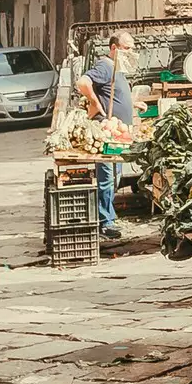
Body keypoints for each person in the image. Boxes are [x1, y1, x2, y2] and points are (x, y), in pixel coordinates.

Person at [76, 32, 135, 240]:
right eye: (126, 48)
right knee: (107, 176)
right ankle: (105, 222)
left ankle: (109, 216)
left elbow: (114, 94)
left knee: (115, 175)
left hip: (119, 133)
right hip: (107, 131)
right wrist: (95, 102)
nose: (130, 52)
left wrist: (134, 104)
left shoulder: (119, 69)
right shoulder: (105, 66)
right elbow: (82, 82)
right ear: (114, 48)